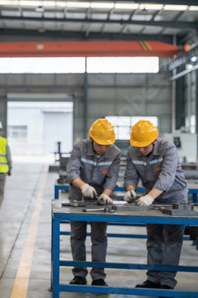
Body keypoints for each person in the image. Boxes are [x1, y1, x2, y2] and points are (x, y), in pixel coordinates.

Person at [124, 120, 188, 290]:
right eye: (138, 146)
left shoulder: (168, 148)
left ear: (154, 141)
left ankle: (166, 282)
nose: (141, 150)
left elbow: (167, 176)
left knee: (173, 240)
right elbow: (130, 175)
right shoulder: (132, 151)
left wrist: (150, 197)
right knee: (154, 239)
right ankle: (153, 279)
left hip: (175, 198)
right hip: (151, 199)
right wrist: (130, 189)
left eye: (144, 146)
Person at [66, 118, 121, 287]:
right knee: (77, 237)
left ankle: (98, 276)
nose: (104, 149)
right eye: (100, 145)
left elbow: (112, 177)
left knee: (99, 237)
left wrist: (105, 194)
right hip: (78, 196)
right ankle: (79, 275)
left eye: (107, 145)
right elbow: (72, 172)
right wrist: (83, 186)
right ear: (91, 139)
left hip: (100, 199)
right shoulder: (79, 148)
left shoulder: (114, 152)